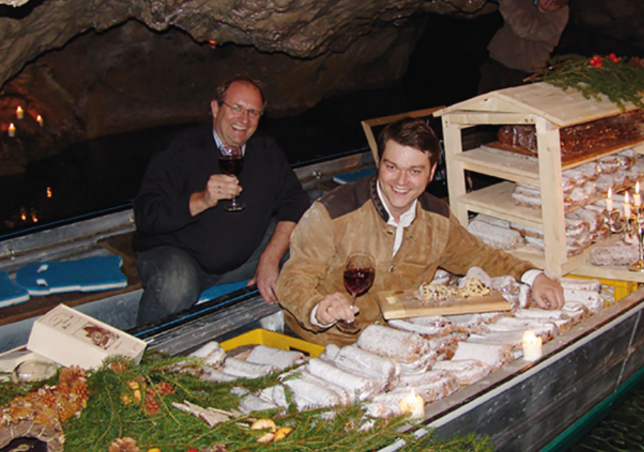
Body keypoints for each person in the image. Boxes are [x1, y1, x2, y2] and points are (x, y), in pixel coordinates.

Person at [277, 117, 564, 347]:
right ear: (379, 163)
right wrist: (318, 308)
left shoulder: (437, 218)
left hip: (399, 341)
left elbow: (478, 255)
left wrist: (533, 276)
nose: (401, 181)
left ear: (432, 171)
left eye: (414, 171)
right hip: (325, 346)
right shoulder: (332, 213)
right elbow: (293, 279)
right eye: (392, 167)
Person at [132, 74, 310, 327]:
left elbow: (295, 200)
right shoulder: (180, 149)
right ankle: (144, 357)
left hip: (240, 259)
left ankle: (289, 324)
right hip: (181, 256)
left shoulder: (264, 149)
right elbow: (146, 215)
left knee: (312, 230)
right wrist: (201, 200)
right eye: (236, 108)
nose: (244, 119)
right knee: (176, 281)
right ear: (215, 108)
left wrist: (269, 259)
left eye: (253, 112)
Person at [478, 0, 569, 94]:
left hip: (527, 73)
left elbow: (524, 29)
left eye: (554, 4)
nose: (547, 5)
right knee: (481, 102)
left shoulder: (561, 16)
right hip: (496, 63)